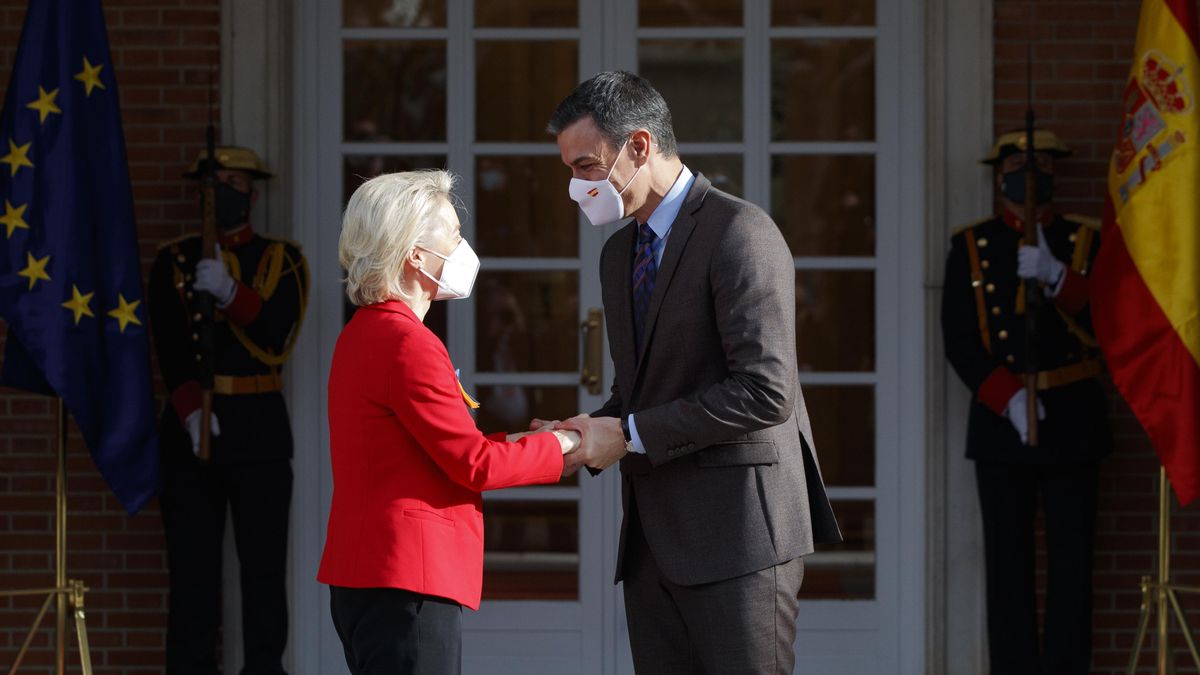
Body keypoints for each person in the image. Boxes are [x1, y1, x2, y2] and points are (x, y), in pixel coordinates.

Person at [544, 71, 841, 673]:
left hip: (739, 537)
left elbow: (765, 391)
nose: (576, 187)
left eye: (585, 166)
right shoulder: (619, 252)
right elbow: (640, 388)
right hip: (654, 541)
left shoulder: (740, 232)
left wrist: (625, 436)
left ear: (640, 146)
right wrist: (580, 434)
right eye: (570, 171)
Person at [316, 170, 583, 675]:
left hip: (369, 574)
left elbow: (436, 446)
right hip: (406, 578)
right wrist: (567, 443)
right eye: (454, 235)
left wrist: (527, 441)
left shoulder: (364, 332)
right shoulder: (406, 342)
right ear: (415, 254)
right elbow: (473, 464)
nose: (464, 246)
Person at [940, 129, 1112, 675]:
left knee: (1071, 565)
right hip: (1002, 422)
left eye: (1039, 163)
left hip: (1073, 417)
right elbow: (959, 339)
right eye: (1018, 163)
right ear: (999, 176)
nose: (1028, 172)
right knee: (1008, 567)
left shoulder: (1085, 242)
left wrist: (1060, 278)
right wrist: (1008, 397)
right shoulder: (971, 244)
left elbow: (1111, 327)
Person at [148, 146, 308, 675]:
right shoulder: (175, 260)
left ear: (252, 195)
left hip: (258, 427)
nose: (223, 192)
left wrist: (230, 291)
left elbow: (275, 332)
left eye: (234, 183)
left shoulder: (282, 260)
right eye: (215, 183)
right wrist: (191, 410)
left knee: (263, 571)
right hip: (194, 431)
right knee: (192, 571)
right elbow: (170, 346)